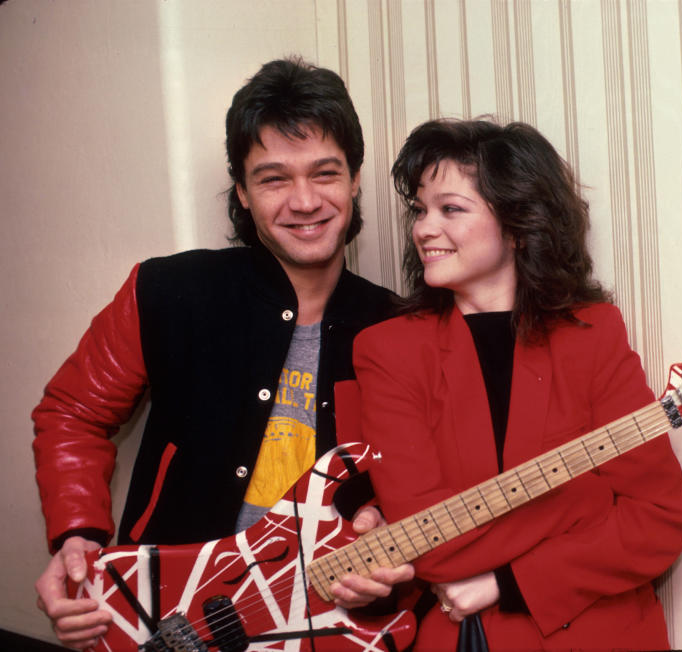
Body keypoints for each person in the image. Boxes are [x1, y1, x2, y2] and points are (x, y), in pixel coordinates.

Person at [32, 57, 413, 650]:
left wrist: (387, 526)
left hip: (328, 628)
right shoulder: (164, 291)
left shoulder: (401, 327)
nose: (305, 201)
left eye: (325, 173)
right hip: (166, 620)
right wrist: (76, 536)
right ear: (241, 189)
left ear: (355, 178)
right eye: (273, 178)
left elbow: (423, 477)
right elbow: (71, 414)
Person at [351, 119, 682, 650]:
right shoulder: (388, 350)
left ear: (517, 225)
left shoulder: (593, 334)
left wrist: (503, 583)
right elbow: (428, 540)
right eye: (420, 210)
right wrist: (581, 501)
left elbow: (658, 522)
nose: (423, 228)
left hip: (599, 637)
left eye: (451, 209)